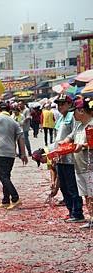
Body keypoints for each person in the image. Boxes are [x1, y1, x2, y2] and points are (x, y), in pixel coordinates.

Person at [53, 94, 85, 223]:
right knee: (64, 187)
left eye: (63, 103)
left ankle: (77, 212)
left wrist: (66, 144)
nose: (60, 106)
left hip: (70, 158)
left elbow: (75, 134)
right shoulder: (61, 118)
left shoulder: (73, 116)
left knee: (72, 187)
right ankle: (70, 211)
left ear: (69, 104)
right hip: (60, 157)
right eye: (58, 104)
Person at [62, 97, 93, 228]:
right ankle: (91, 218)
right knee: (85, 195)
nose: (72, 114)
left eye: (74, 111)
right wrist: (65, 141)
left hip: (90, 166)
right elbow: (71, 136)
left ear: (81, 111)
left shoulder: (91, 125)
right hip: (79, 167)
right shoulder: (79, 126)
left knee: (91, 195)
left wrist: (84, 146)